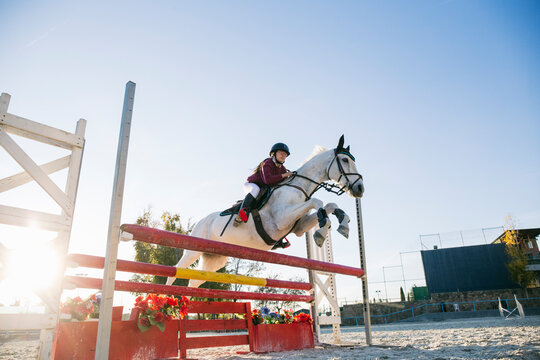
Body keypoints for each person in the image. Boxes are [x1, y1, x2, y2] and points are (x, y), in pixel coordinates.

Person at [234, 142, 293, 226]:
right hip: (251, 185)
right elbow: (267, 180)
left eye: (285, 154)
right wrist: (284, 175)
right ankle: (241, 213)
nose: (283, 156)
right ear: (273, 154)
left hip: (264, 189)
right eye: (281, 153)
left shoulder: (283, 169)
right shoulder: (267, 163)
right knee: (256, 189)